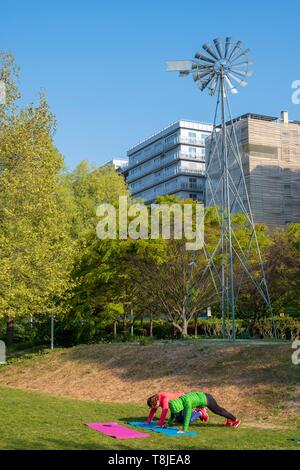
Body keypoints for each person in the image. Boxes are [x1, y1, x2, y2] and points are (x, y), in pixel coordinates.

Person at [168, 391, 240, 433]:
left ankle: (235, 420)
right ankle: (229, 419)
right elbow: (173, 412)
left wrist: (184, 430)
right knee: (219, 411)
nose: (176, 413)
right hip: (202, 397)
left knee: (218, 411)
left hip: (207, 399)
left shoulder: (187, 403)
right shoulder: (176, 402)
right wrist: (168, 423)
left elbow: (187, 417)